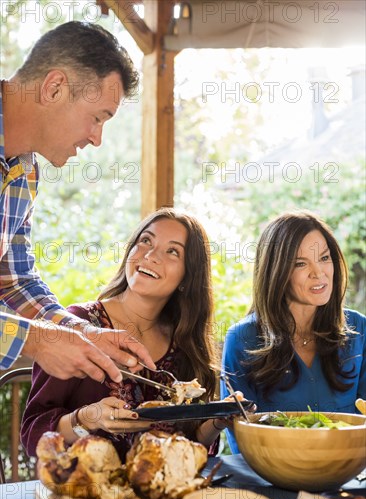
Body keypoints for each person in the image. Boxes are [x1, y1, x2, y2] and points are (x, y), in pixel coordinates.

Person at [0, 21, 155, 382]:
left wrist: (83, 332)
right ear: (54, 88)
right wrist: (35, 341)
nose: (97, 138)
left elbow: (14, 281)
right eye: (98, 117)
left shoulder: (25, 172)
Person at [21, 208, 235, 460]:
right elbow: (33, 434)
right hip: (84, 491)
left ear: (187, 277)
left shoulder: (185, 343)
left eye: (172, 251)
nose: (151, 255)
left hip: (161, 492)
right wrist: (87, 419)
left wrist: (219, 419)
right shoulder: (79, 324)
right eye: (146, 240)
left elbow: (190, 445)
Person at [221, 210, 366, 453]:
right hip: (272, 479)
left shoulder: (359, 329)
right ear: (276, 272)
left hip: (347, 478)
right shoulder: (242, 339)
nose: (318, 273)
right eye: (300, 263)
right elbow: (242, 438)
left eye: (324, 258)